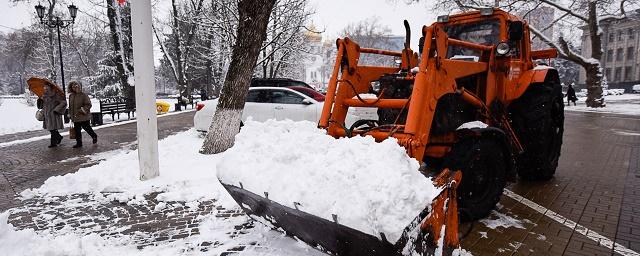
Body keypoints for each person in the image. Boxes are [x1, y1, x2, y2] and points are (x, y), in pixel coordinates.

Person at [68, 81, 97, 148]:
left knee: (87, 128)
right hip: (75, 116)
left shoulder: (83, 95)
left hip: (83, 116)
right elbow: (70, 106)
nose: (74, 87)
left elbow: (88, 104)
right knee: (77, 130)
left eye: (76, 85)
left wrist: (82, 110)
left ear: (79, 86)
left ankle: (94, 136)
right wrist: (70, 114)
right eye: (72, 86)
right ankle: (79, 143)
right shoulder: (71, 96)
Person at [42, 83, 67, 148]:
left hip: (54, 115)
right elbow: (41, 106)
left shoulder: (56, 95)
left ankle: (54, 143)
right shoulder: (44, 95)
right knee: (52, 129)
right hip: (47, 115)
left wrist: (57, 109)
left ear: (50, 88)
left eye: (47, 87)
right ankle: (58, 138)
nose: (45, 89)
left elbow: (63, 102)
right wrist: (39, 100)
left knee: (53, 129)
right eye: (44, 87)